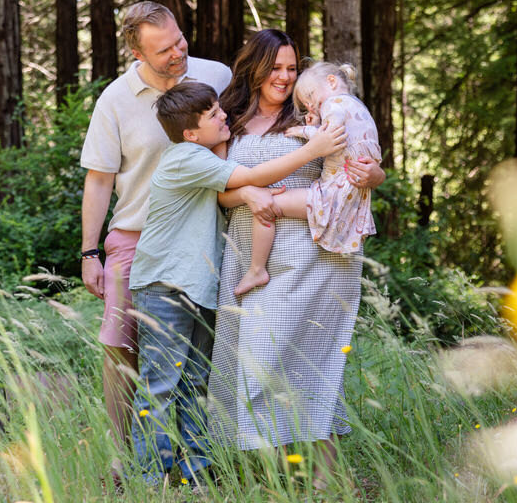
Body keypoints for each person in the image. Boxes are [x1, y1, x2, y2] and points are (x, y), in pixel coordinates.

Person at [127, 82, 346, 485]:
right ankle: (148, 478)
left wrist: (246, 190)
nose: (223, 114)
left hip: (197, 286)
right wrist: (311, 151)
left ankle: (195, 473)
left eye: (218, 109)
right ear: (191, 132)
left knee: (194, 382)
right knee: (160, 384)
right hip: (164, 286)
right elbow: (250, 175)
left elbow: (236, 186)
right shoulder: (185, 157)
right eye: (212, 114)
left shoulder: (200, 157)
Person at [207, 30, 384, 489]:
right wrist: (247, 191)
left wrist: (376, 173)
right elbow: (221, 195)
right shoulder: (232, 119)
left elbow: (363, 163)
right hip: (251, 254)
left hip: (314, 255)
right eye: (275, 68)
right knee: (256, 361)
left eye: (291, 68)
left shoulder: (315, 110)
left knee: (311, 361)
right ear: (254, 67)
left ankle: (324, 479)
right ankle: (266, 475)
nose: (284, 77)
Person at [79, 1, 232, 473]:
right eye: (164, 50)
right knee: (122, 346)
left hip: (203, 234)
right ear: (136, 51)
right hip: (136, 237)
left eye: (180, 40)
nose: (177, 54)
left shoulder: (216, 76)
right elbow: (100, 179)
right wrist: (89, 252)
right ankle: (125, 454)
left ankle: (194, 455)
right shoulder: (116, 99)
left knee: (199, 354)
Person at [234, 60, 381, 296]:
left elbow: (329, 139)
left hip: (333, 192)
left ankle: (257, 269)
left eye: (312, 99)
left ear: (331, 82)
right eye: (307, 105)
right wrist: (318, 120)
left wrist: (302, 131)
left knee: (267, 203)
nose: (311, 107)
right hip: (350, 191)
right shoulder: (358, 108)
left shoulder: (334, 104)